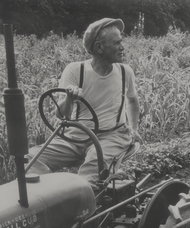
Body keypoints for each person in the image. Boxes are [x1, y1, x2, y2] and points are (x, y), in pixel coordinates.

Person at [26, 18, 141, 188]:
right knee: (30, 159)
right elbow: (61, 115)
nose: (122, 47)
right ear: (99, 47)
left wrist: (134, 129)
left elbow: (132, 100)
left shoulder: (125, 72)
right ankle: (48, 199)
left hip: (111, 136)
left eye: (121, 42)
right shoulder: (75, 70)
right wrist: (70, 99)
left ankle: (86, 210)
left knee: (90, 176)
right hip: (75, 137)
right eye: (116, 43)